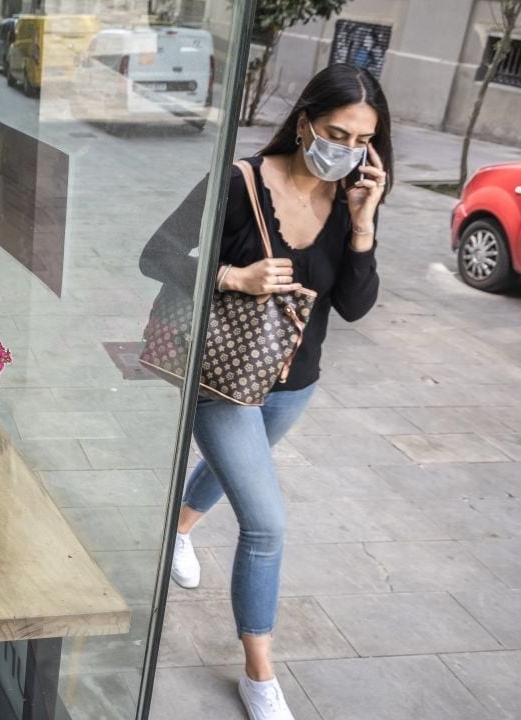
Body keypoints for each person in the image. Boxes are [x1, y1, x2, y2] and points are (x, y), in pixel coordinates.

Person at [143, 64, 392, 720]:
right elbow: (155, 255)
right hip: (223, 381)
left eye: (362, 141)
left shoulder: (349, 203)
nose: (346, 149)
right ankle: (259, 673)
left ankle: (177, 527)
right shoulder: (239, 181)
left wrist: (364, 225)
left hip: (293, 386)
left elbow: (356, 306)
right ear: (307, 120)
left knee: (231, 477)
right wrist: (233, 277)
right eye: (336, 131)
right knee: (268, 523)